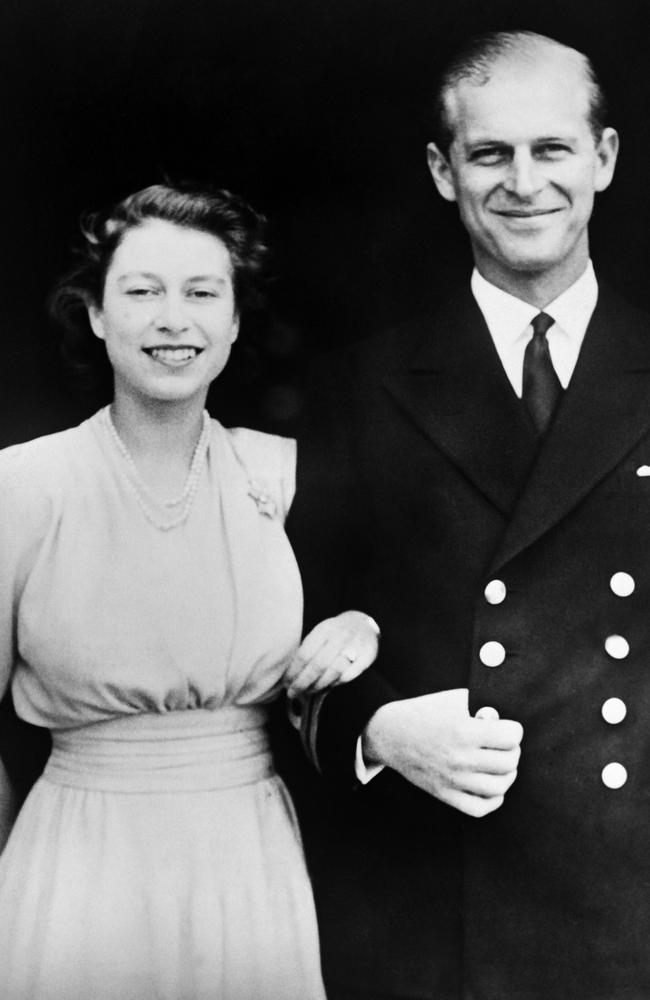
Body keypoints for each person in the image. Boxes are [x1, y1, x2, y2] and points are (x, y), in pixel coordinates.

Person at [286, 29, 649, 1000]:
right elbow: (284, 644)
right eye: (488, 153)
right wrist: (375, 732)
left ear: (602, 161)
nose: (521, 181)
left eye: (551, 149)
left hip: (633, 899)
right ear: (442, 172)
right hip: (437, 905)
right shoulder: (358, 386)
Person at [0, 182, 380, 1000]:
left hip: (247, 861)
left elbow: (376, 612)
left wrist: (359, 623)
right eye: (142, 292)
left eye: (203, 293)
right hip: (77, 865)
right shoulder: (24, 488)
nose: (174, 319)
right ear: (98, 315)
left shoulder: (279, 474)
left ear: (235, 321)